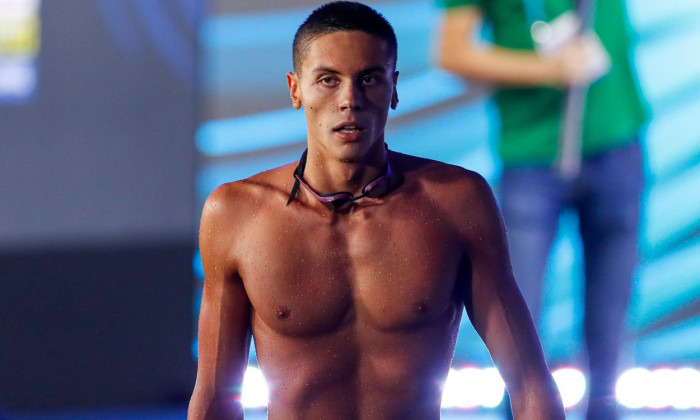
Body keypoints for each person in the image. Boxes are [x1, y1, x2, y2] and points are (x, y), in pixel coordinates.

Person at [188, 2, 565, 419]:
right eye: (328, 80)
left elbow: (529, 382)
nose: (349, 100)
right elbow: (215, 398)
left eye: (368, 79)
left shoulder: (457, 201)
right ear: (296, 89)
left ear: (395, 88)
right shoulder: (236, 213)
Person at [435, 1, 647, 419]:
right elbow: (452, 52)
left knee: (610, 332)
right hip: (530, 158)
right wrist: (550, 69)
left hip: (617, 144)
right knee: (517, 327)